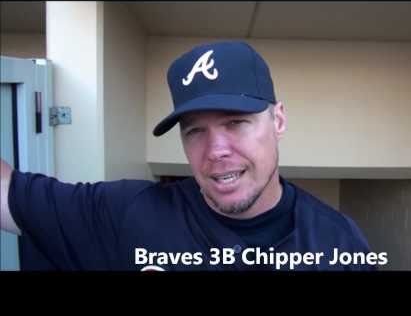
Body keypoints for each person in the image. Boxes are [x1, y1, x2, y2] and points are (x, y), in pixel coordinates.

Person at [0, 41, 378, 271]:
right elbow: (7, 194)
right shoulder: (130, 213)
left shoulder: (337, 244)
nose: (215, 150)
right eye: (195, 130)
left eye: (236, 122)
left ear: (277, 120)